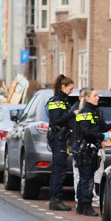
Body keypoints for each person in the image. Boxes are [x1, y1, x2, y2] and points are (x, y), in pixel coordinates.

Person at [70, 89, 111, 216]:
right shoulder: (85, 112)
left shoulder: (95, 111)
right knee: (86, 179)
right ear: (87, 98)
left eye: (98, 95)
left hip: (90, 149)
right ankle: (86, 206)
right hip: (84, 149)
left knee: (86, 177)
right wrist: (102, 136)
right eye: (95, 95)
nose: (97, 98)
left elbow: (102, 126)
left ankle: (82, 206)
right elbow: (86, 131)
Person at [46, 75, 76, 211]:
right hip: (58, 138)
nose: (71, 91)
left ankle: (55, 199)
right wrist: (72, 114)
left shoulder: (63, 100)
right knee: (59, 170)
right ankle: (55, 200)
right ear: (63, 87)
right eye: (70, 88)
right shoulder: (57, 101)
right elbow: (57, 118)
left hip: (61, 138)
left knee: (59, 170)